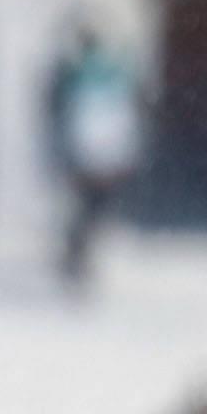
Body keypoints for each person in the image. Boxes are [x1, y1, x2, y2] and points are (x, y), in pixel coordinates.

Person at [47, 16, 145, 290]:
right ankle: (77, 255)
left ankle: (76, 253)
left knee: (88, 207)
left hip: (87, 152)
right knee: (95, 207)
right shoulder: (111, 73)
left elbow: (57, 107)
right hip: (103, 153)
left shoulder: (76, 73)